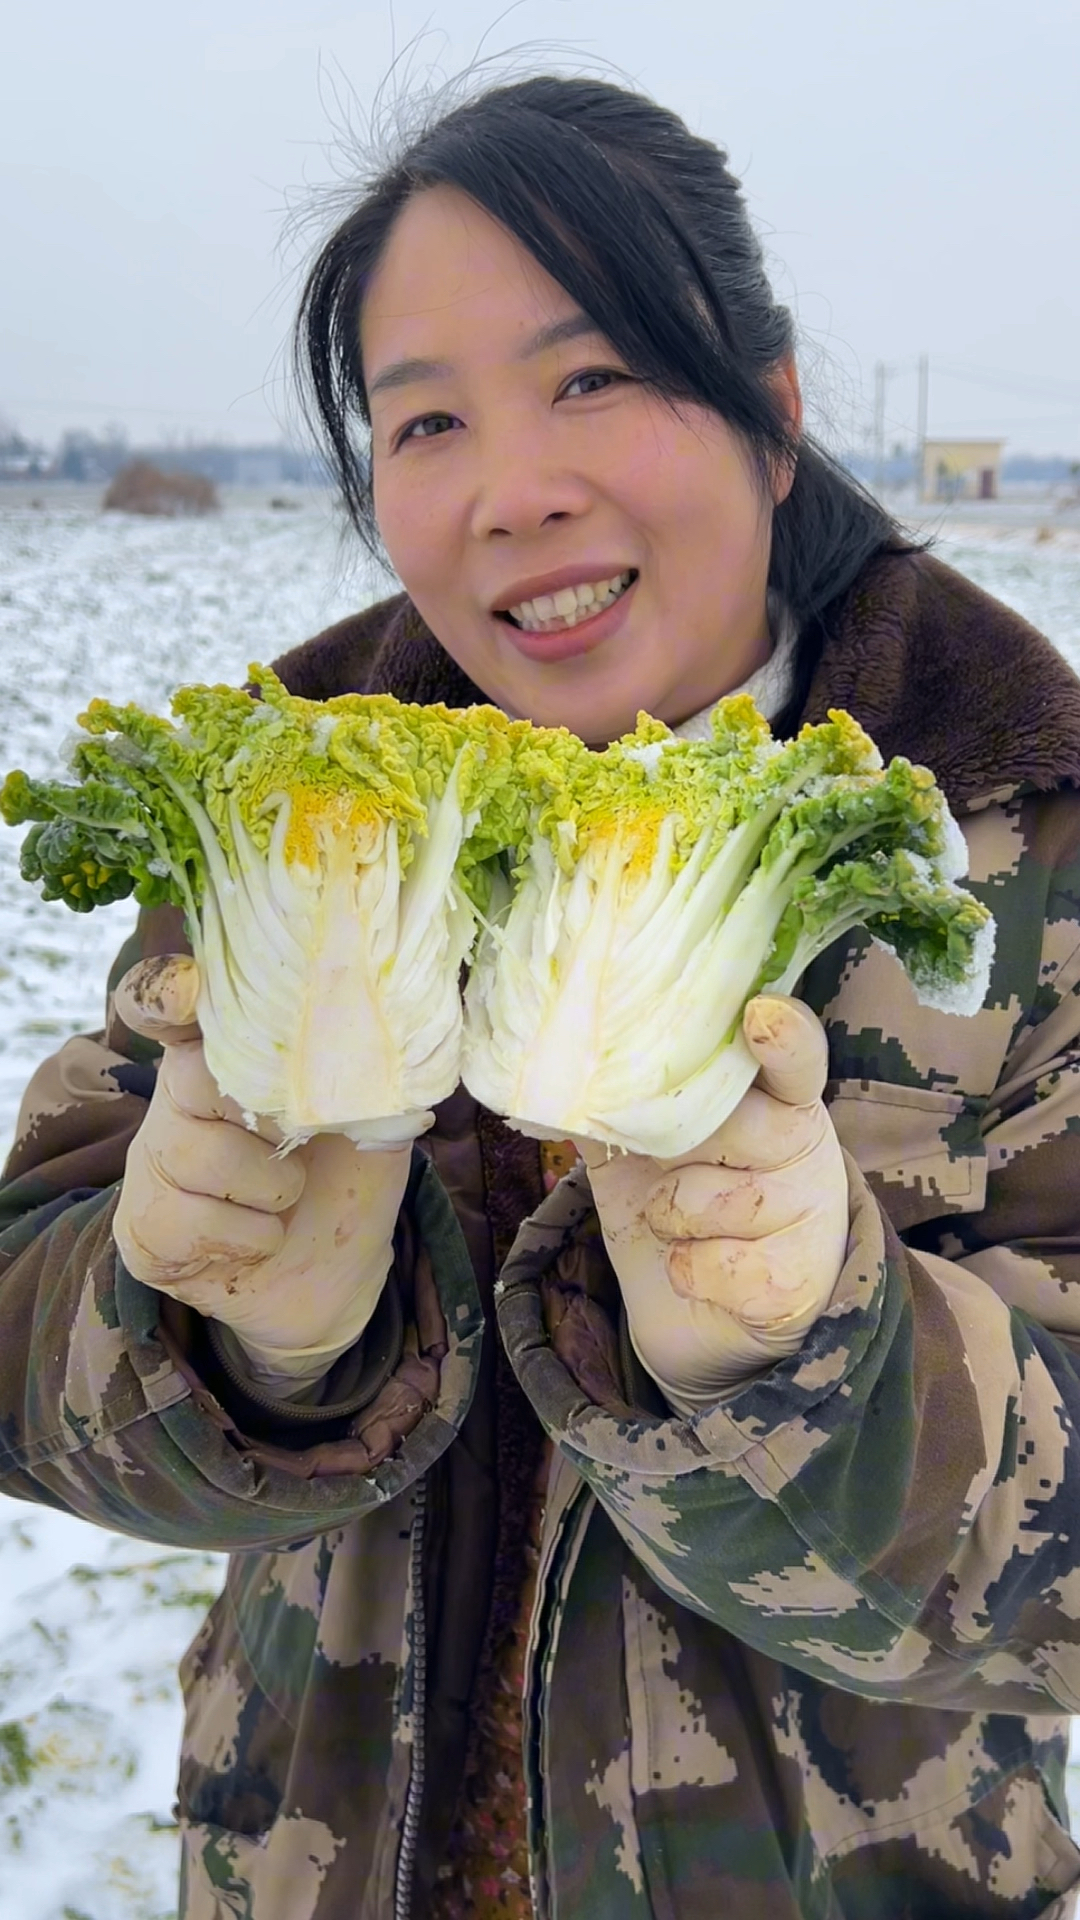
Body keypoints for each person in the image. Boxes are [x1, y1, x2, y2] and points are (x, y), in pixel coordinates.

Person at [3, 73, 1080, 1920]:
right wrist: (213, 1333)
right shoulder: (284, 818)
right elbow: (24, 1358)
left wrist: (814, 1360)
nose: (514, 493)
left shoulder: (1029, 837)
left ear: (774, 414)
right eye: (426, 422)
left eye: (590, 380)